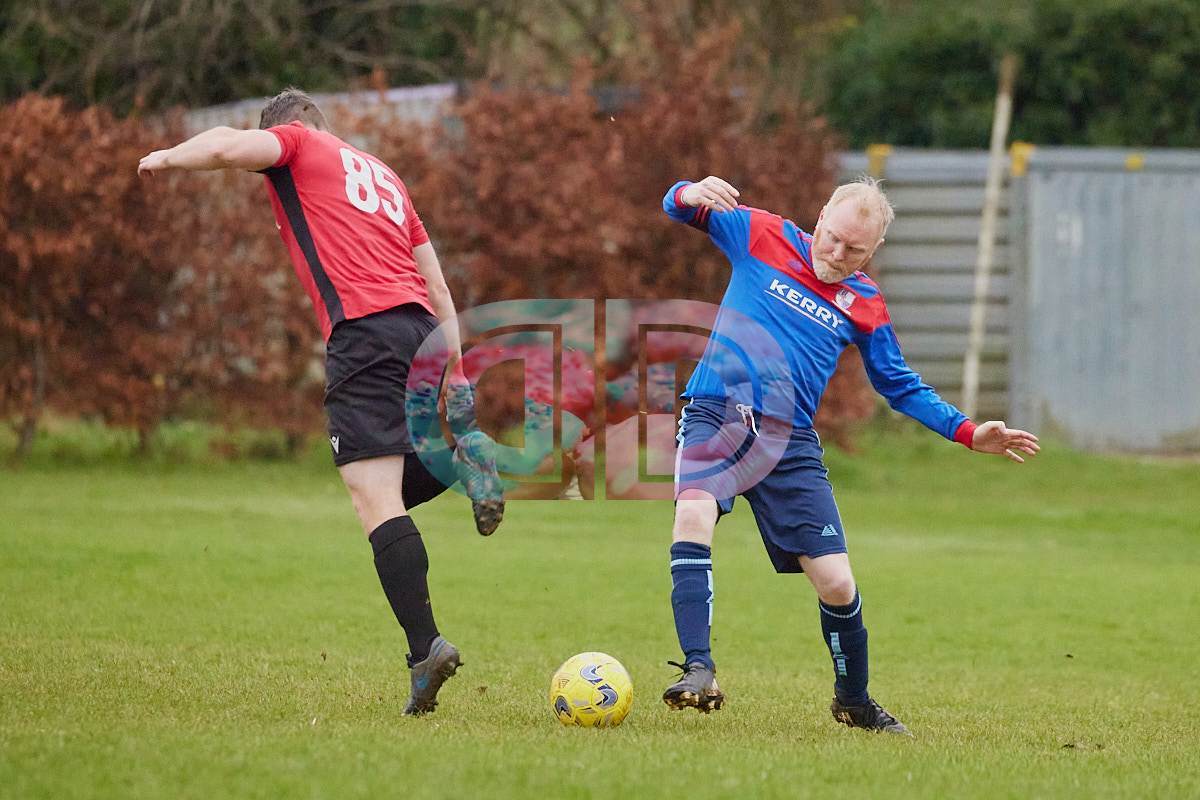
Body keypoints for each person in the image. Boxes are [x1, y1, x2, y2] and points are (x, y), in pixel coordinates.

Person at [137, 88, 505, 716]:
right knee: (386, 481)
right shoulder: (387, 178)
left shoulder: (297, 144)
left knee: (372, 496)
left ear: (288, 128)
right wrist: (459, 380)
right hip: (420, 331)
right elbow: (439, 286)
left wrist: (167, 156)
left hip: (364, 333)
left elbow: (225, 146)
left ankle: (426, 649)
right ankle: (460, 462)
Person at [659, 174, 1040, 734]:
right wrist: (688, 191)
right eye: (832, 237)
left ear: (874, 250)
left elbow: (899, 385)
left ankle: (854, 702)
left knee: (837, 583)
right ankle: (699, 668)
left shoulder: (865, 304)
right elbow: (677, 207)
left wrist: (966, 431)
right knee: (693, 513)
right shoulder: (762, 234)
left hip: (789, 441)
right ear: (819, 217)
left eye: (854, 249)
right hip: (718, 410)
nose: (836, 254)